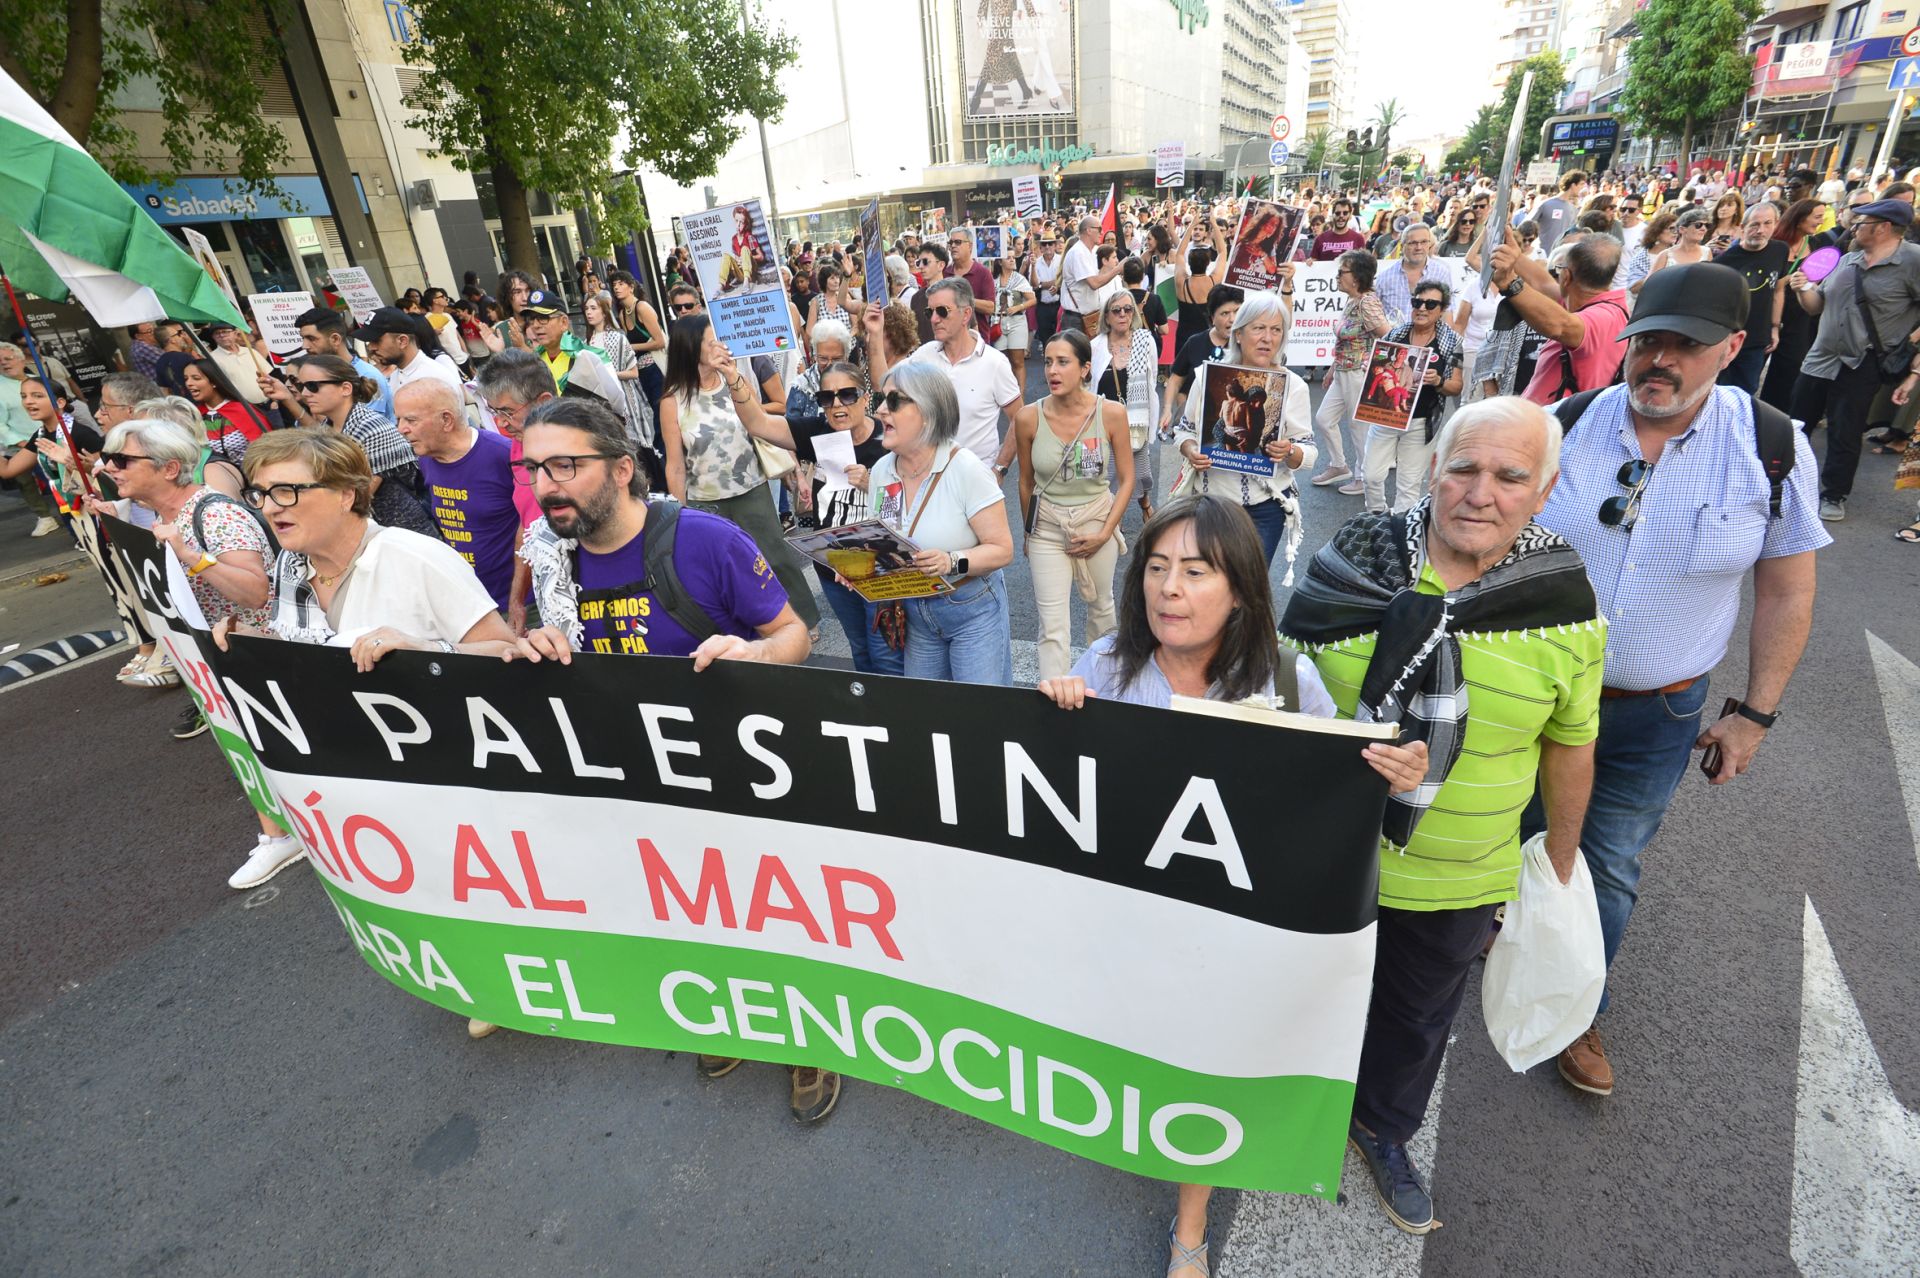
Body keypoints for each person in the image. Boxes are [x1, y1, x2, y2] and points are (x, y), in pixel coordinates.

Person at [1034, 492, 1428, 1277]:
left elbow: (1335, 785)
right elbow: (1057, 789)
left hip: (1236, 928)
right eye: (1155, 568)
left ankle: (1190, 1224)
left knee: (1205, 1060)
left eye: (1195, 571)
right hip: (1132, 916)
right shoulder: (1108, 665)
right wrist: (1056, 711)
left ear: (1242, 589)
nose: (1168, 589)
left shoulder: (1286, 679)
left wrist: (1393, 775)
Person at [1282, 395, 1603, 1236]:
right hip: (1318, 857)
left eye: (1510, 476)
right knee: (1295, 997)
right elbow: (1274, 683)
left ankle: (1383, 1130)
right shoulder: (1357, 554)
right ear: (1434, 469)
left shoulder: (1562, 598)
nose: (1480, 491)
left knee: (1415, 1018)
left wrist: (1560, 863)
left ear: (1546, 488)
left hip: (1462, 873)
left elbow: (1572, 744)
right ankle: (1276, 1110)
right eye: (1463, 467)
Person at [1532, 264, 1827, 1097]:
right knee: (1509, 838)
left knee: (1611, 863)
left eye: (1684, 346)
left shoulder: (1772, 447)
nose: (1658, 361)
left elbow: (1789, 587)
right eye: (1646, 341)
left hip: (1654, 713)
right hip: (1534, 698)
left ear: (1733, 348)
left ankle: (1576, 1008)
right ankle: (1499, 948)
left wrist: (1754, 715)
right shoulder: (1570, 421)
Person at [504, 397, 825, 1104]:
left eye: (566, 465)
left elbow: (795, 634)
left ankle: (809, 1037)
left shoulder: (705, 540)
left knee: (773, 910)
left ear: (622, 469)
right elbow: (527, 646)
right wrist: (532, 648)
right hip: (637, 781)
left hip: (742, 775)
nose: (547, 485)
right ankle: (732, 1018)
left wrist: (753, 653)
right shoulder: (550, 560)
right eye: (535, 470)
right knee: (684, 909)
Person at [89, 417, 302, 886]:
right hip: (215, 659)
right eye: (109, 458)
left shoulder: (214, 513)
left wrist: (192, 556)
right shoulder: (159, 515)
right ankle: (280, 833)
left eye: (121, 460)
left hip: (260, 658)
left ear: (168, 468)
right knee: (246, 744)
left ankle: (292, 834)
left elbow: (254, 592)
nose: (110, 467)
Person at [656, 315, 821, 630]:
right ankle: (750, 626)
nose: (718, 346)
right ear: (691, 349)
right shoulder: (672, 400)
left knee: (776, 558)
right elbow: (675, 463)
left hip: (752, 488)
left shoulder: (735, 379)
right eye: (710, 341)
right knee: (726, 568)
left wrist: (793, 469)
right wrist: (680, 512)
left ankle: (805, 620)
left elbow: (765, 426)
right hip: (707, 500)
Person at [860, 360, 1014, 683]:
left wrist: (950, 561)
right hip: (918, 615)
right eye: (881, 401)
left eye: (895, 401)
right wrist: (861, 571)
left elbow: (1002, 551)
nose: (881, 412)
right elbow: (883, 543)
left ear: (928, 412)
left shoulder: (967, 469)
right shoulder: (881, 472)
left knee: (978, 718)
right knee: (929, 718)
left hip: (972, 611)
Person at [758, 360, 901, 674]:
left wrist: (872, 483)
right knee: (861, 647)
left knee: (886, 652)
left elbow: (906, 508)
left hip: (879, 568)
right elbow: (759, 425)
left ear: (866, 399)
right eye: (827, 398)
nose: (837, 404)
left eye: (847, 395)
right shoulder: (819, 432)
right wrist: (734, 379)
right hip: (834, 568)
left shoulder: (889, 439)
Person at [1789, 197, 1920, 521]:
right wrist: (1802, 288)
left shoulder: (1913, 261)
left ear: (1884, 228)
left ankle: (1833, 495)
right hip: (1821, 357)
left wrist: (1914, 367)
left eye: (1861, 223)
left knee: (1844, 432)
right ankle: (1781, 482)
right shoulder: (1848, 260)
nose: (1853, 227)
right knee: (1795, 425)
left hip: (1863, 362)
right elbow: (1816, 305)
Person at [1015, 329, 1134, 680]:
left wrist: (1106, 533)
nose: (1052, 370)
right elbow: (1024, 482)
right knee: (1052, 627)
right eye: (1048, 362)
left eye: (1063, 362)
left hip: (1097, 521)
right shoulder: (1028, 417)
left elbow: (1126, 479)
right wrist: (1029, 532)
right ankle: (1054, 698)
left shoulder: (1111, 414)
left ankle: (1106, 686)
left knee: (1101, 610)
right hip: (1047, 529)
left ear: (1084, 369)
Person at [1174, 290, 1317, 567]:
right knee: (1212, 581)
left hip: (1266, 509)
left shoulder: (1294, 386)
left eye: (1276, 330)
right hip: (1212, 505)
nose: (1268, 337)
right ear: (1238, 334)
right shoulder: (1207, 376)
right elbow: (1184, 431)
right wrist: (1191, 449)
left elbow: (1309, 454)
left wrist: (1289, 450)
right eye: (1259, 328)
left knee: (1249, 590)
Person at [276, 352, 440, 539]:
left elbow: (359, 496)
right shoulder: (327, 427)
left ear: (345, 388)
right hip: (369, 532)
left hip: (403, 533)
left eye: (313, 386)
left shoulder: (372, 427)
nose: (305, 393)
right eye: (301, 386)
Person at [393, 378, 522, 615]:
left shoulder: (503, 455)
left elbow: (534, 529)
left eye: (411, 420)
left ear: (446, 420)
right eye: (399, 419)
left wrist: (518, 601)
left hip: (516, 605)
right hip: (468, 602)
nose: (401, 428)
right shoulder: (426, 457)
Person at [869, 277, 1022, 474]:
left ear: (966, 314)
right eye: (929, 312)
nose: (934, 319)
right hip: (928, 477)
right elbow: (881, 383)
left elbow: (1020, 419)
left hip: (974, 478)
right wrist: (875, 333)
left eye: (942, 311)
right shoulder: (925, 354)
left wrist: (1000, 469)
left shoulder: (994, 363)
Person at [1490, 228, 1628, 404]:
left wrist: (1509, 284)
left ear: (1566, 277)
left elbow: (1560, 326)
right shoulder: (1604, 303)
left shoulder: (1601, 317)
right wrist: (1516, 256)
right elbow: (1543, 283)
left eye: (1559, 269)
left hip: (1561, 427)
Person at [1367, 280, 1463, 513]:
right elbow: (1377, 369)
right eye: (1417, 302)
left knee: (1408, 486)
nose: (1422, 308)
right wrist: (1370, 370)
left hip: (1421, 421)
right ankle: (1375, 518)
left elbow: (1456, 386)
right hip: (1385, 415)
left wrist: (1439, 381)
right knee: (1370, 476)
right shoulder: (1394, 335)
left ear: (1442, 310)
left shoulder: (1453, 342)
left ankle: (1399, 532)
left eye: (1431, 304)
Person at [1313, 250, 1391, 494]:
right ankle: (1339, 465)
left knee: (1359, 428)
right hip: (1343, 370)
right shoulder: (1352, 301)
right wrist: (1333, 369)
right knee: (1324, 419)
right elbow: (1345, 341)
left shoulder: (1367, 302)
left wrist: (1372, 364)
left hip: (1359, 373)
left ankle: (1363, 477)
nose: (1337, 277)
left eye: (1341, 272)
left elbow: (1388, 336)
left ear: (1356, 277)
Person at [1088, 292, 1156, 521]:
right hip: (1104, 422)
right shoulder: (1095, 346)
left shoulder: (1145, 341)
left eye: (1128, 309)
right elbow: (1089, 385)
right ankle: (1112, 518)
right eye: (1116, 310)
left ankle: (1144, 502)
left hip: (1135, 421)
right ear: (1107, 317)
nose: (1123, 314)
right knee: (1106, 473)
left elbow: (1152, 381)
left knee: (1138, 474)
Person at [1712, 202, 1788, 393]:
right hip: (1725, 338)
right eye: (1754, 224)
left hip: (1757, 340)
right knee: (1716, 391)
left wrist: (1774, 327)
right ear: (1742, 228)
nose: (1760, 230)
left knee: (1746, 393)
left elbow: (1778, 290)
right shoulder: (1725, 261)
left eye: (1767, 223)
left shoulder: (1780, 250)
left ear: (1776, 225)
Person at [1161, 283, 1243, 440]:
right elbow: (1176, 379)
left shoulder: (1248, 345)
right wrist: (1167, 409)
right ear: (1212, 317)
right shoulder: (1195, 342)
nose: (1232, 319)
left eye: (1237, 312)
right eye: (1224, 313)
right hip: (1196, 426)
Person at [582, 289, 657, 453]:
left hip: (624, 399)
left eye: (593, 308)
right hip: (599, 401)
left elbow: (634, 372)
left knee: (632, 446)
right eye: (586, 309)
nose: (589, 312)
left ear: (603, 311)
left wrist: (608, 374)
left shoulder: (618, 338)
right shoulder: (585, 342)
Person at [293, 306, 393, 419]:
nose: (304, 346)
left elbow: (363, 429)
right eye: (303, 339)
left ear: (335, 339)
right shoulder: (324, 374)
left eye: (311, 338)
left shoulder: (367, 376)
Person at [353, 307, 464, 397]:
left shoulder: (433, 379)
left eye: (376, 340)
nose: (371, 347)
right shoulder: (397, 374)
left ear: (402, 341)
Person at [181, 357, 270, 462]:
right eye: (186, 379)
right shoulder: (194, 416)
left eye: (196, 378)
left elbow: (267, 447)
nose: (188, 383)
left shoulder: (242, 410)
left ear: (214, 382)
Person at [608, 270, 667, 425]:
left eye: (621, 284)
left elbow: (660, 342)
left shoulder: (642, 307)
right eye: (614, 285)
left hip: (656, 368)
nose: (616, 288)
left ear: (631, 287)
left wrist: (631, 346)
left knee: (661, 413)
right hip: (640, 372)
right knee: (653, 412)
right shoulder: (622, 314)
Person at [1373, 224, 1451, 327]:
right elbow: (1375, 315)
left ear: (1429, 244)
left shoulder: (1441, 273)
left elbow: (1447, 312)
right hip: (1393, 340)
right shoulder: (1385, 277)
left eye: (1423, 242)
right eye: (1413, 243)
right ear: (1402, 245)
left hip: (1430, 340)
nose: (1418, 247)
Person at [1062, 215, 1123, 337]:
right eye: (1099, 229)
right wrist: (1117, 269)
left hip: (1089, 317)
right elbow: (1094, 283)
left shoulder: (1091, 251)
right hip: (1076, 319)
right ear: (1088, 230)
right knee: (1077, 354)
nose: (1102, 232)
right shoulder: (1078, 252)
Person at [990, 253, 1035, 389]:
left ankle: (1020, 400)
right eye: (1008, 257)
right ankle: (1008, 395)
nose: (1012, 260)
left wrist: (1018, 307)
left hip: (1017, 321)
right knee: (1002, 363)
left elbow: (1032, 299)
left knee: (1018, 361)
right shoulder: (992, 279)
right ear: (999, 262)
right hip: (998, 321)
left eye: (1013, 257)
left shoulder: (1019, 279)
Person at [1532, 169, 1590, 256]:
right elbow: (1526, 225)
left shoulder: (1573, 209)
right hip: (1541, 256)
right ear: (1573, 185)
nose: (1583, 188)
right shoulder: (1546, 204)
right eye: (1581, 184)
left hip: (1559, 258)